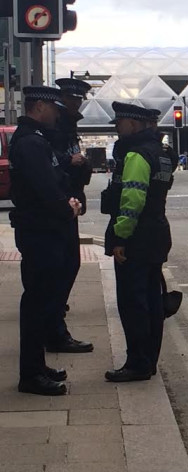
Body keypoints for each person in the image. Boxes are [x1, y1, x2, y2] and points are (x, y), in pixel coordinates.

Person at [10, 87, 82, 396]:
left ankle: (37, 367)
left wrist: (67, 200)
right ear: (39, 106)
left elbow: (58, 180)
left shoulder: (37, 140)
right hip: (40, 232)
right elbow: (45, 187)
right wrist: (68, 207)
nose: (57, 113)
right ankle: (30, 375)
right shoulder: (30, 143)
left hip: (45, 230)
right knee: (37, 304)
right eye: (53, 107)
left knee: (42, 301)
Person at [102, 102, 174, 382]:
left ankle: (137, 362)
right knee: (153, 302)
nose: (118, 128)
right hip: (157, 232)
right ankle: (148, 360)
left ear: (133, 123)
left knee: (133, 303)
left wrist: (121, 237)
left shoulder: (136, 155)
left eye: (119, 123)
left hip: (137, 237)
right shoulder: (162, 153)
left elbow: (132, 200)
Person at [43, 77, 95, 353]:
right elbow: (51, 160)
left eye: (79, 99)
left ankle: (53, 322)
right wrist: (70, 161)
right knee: (63, 266)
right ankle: (54, 328)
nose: (75, 103)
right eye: (72, 98)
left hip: (70, 198)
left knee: (68, 264)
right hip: (61, 203)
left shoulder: (68, 123)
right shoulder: (57, 123)